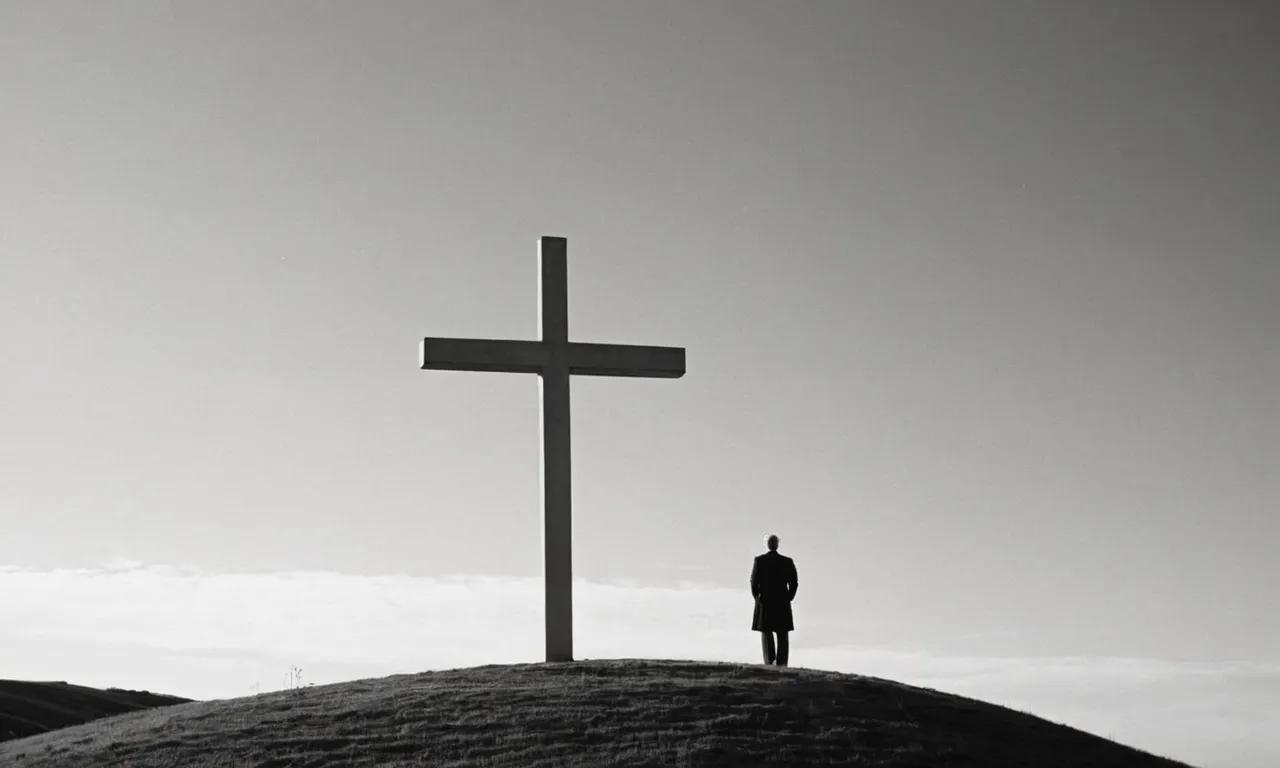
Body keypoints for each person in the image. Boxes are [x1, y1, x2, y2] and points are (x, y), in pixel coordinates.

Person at [751, 534, 798, 666]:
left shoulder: (759, 561)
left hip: (766, 601)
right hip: (782, 601)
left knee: (767, 631)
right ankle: (781, 663)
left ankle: (769, 662)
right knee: (782, 633)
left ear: (766, 544)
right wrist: (788, 597)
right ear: (777, 544)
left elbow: (754, 582)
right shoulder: (787, 561)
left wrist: (758, 598)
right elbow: (794, 582)